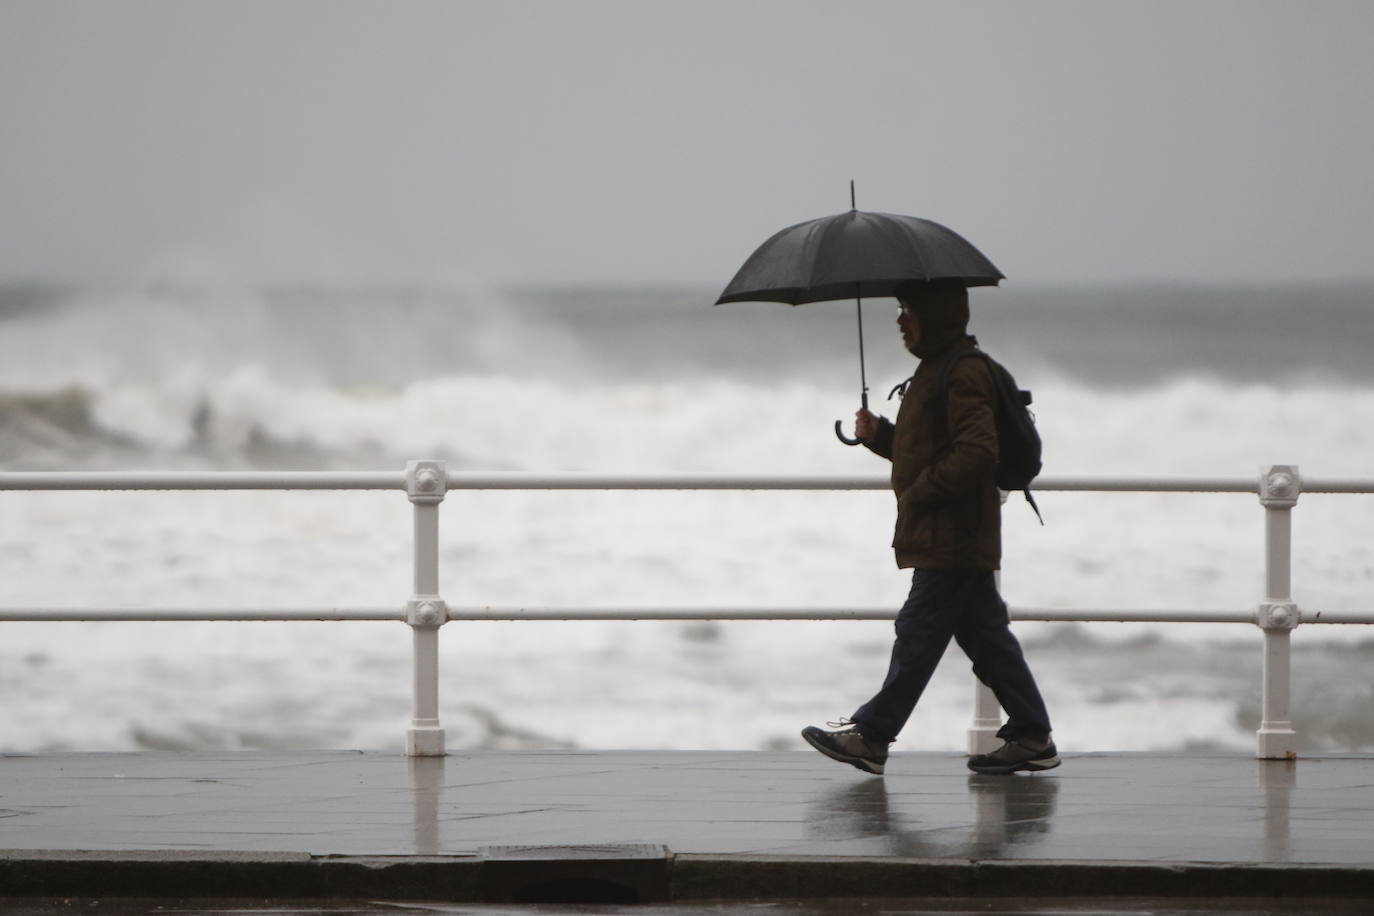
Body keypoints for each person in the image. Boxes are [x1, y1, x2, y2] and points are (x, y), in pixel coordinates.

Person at [802, 280, 1057, 777]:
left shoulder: (962, 374)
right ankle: (1032, 734)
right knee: (986, 636)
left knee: (917, 633)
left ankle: (871, 736)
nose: (900, 320)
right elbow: (932, 448)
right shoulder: (938, 370)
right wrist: (882, 437)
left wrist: (920, 494)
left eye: (908, 310)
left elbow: (976, 453)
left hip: (954, 534)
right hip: (955, 533)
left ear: (936, 316)